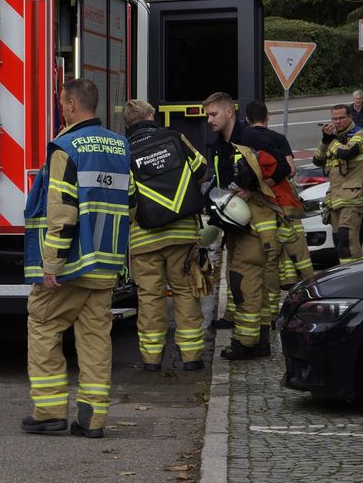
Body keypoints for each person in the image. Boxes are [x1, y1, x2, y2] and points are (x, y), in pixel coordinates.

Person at [22, 78, 135, 438]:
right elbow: (131, 203)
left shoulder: (65, 147)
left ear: (70, 105)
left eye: (61, 103)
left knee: (42, 326)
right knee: (96, 341)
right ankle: (93, 420)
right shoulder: (120, 146)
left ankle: (50, 411)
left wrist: (51, 263)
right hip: (106, 265)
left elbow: (62, 211)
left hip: (71, 266)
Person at [203, 92, 290, 360]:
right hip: (239, 224)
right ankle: (261, 341)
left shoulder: (250, 138)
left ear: (229, 112)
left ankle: (247, 342)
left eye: (213, 114)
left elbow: (283, 169)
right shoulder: (221, 145)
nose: (209, 120)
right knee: (255, 283)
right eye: (207, 115)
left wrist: (253, 191)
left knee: (245, 281)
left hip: (254, 225)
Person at [124, 100, 208, 372]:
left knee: (150, 297)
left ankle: (151, 360)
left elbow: (126, 196)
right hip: (182, 233)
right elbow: (201, 168)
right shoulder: (173, 137)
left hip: (144, 237)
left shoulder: (124, 151)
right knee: (185, 292)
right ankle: (192, 357)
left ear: (128, 124)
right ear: (151, 116)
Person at [244, 101, 313, 289]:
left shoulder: (244, 138)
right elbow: (290, 170)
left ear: (247, 119)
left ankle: (280, 289)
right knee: (297, 248)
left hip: (258, 203)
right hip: (284, 199)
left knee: (269, 252)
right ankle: (307, 285)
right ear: (268, 117)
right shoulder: (278, 138)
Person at [313, 104, 363, 264]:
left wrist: (332, 141)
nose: (337, 121)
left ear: (350, 117)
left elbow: (347, 152)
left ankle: (354, 280)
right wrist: (324, 141)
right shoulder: (333, 140)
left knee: (347, 241)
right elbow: (317, 160)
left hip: (353, 199)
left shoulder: (359, 134)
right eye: (334, 118)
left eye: (341, 118)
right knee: (339, 244)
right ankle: (345, 276)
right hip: (335, 200)